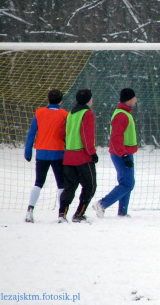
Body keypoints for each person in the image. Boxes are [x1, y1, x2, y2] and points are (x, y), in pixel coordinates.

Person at [23, 89, 68, 223]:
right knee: (61, 184)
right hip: (58, 152)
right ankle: (61, 215)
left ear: (48, 99)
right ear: (61, 100)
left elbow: (31, 133)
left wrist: (28, 151)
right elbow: (67, 134)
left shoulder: (39, 112)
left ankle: (30, 211)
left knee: (38, 182)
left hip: (42, 152)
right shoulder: (65, 114)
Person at [92, 88, 138, 219]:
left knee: (126, 183)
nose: (136, 100)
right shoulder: (121, 115)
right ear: (129, 99)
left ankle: (122, 212)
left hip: (124, 153)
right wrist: (123, 155)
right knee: (127, 184)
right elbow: (116, 137)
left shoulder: (124, 113)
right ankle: (101, 204)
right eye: (134, 98)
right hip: (121, 154)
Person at [58, 89, 98, 223]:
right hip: (83, 156)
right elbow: (87, 137)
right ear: (88, 99)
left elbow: (62, 133)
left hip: (69, 156)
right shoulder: (87, 114)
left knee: (70, 186)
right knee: (90, 186)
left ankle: (62, 214)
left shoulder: (70, 114)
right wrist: (92, 153)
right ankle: (79, 214)